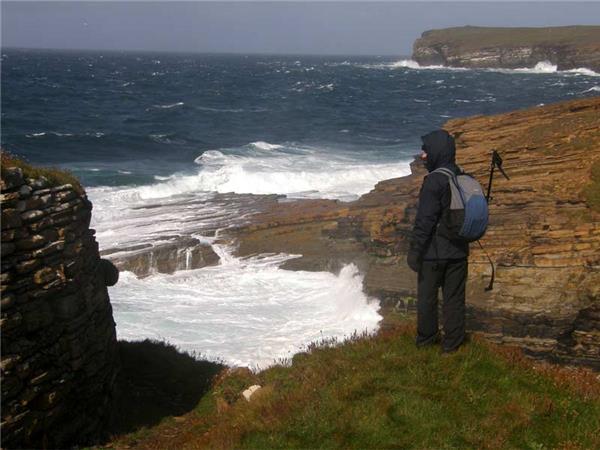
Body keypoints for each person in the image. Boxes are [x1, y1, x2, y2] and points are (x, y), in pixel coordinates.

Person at [406, 129, 469, 354]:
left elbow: (425, 221)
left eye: (426, 150)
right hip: (460, 251)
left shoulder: (434, 181)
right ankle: (452, 346)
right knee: (454, 300)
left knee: (427, 299)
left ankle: (426, 342)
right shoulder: (464, 176)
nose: (423, 155)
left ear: (437, 151)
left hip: (434, 253)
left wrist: (415, 252)